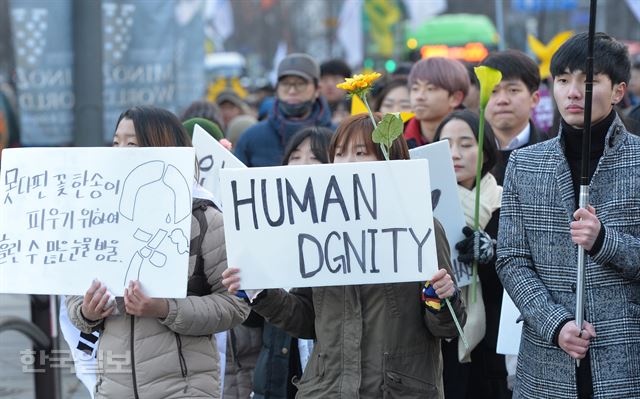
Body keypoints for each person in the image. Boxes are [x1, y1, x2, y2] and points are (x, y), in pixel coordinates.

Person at [223, 113, 466, 398]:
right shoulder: (319, 229)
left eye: (361, 153)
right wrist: (261, 292)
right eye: (340, 153)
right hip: (327, 390)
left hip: (398, 390)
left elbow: (448, 327)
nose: (348, 162)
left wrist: (440, 299)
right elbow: (306, 319)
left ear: (391, 160)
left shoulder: (420, 225)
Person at [66, 106, 250, 398]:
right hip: (114, 388)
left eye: (132, 143)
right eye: (116, 142)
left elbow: (235, 305)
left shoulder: (205, 219)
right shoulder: (101, 218)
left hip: (185, 388)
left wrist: (165, 308)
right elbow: (74, 298)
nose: (120, 151)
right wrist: (87, 311)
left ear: (164, 149)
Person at [496, 32, 640, 398]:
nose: (573, 92)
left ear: (619, 91)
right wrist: (554, 323)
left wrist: (605, 241)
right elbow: (511, 258)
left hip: (627, 361)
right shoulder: (525, 164)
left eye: (588, 81)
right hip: (545, 365)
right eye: (562, 80)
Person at [434, 110, 510, 399]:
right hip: (440, 339)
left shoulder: (507, 201)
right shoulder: (422, 204)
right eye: (445, 145)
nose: (454, 154)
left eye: (466, 144)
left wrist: (492, 253)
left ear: (486, 149)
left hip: (493, 341)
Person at [252, 126, 333, 399]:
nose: (302, 166)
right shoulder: (266, 227)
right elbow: (252, 321)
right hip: (277, 375)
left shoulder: (348, 235)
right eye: (295, 157)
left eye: (315, 158)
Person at [234, 53, 333, 167]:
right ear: (277, 89)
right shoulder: (251, 138)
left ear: (317, 89)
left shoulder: (337, 138)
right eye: (285, 84)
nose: (292, 91)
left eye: (300, 84)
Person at [480, 50, 548, 185]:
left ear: (534, 99)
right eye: (493, 91)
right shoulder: (469, 152)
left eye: (513, 90)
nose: (502, 100)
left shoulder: (555, 152)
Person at [403, 57, 469, 149]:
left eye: (430, 89)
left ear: (455, 98)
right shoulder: (397, 139)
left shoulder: (476, 135)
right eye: (415, 89)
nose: (419, 96)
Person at [319, 59, 352, 125]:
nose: (330, 84)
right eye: (324, 80)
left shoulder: (360, 108)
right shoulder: (311, 111)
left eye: (336, 79)